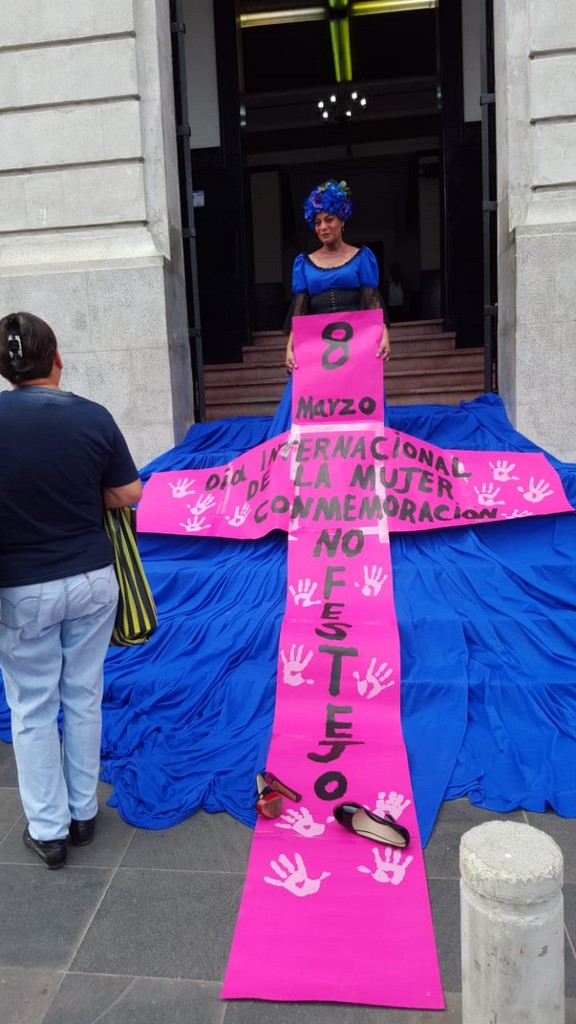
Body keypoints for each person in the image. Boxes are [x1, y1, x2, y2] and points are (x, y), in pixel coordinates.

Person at [0, 312, 142, 869]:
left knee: (33, 707)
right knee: (83, 695)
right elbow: (128, 492)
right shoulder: (92, 415)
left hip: (20, 588)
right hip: (91, 579)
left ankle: (48, 830)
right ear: (56, 358)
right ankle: (83, 813)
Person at [285, 179, 391, 372]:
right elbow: (300, 310)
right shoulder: (303, 263)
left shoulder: (362, 257)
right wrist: (290, 348)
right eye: (317, 222)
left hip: (357, 344)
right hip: (317, 347)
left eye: (329, 220)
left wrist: (384, 335)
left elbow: (372, 303)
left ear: (342, 220)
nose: (323, 227)